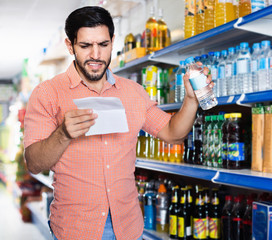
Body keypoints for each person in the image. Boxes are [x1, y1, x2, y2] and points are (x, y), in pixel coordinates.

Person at [23, 6, 212, 240]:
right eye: (85, 46)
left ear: (113, 41)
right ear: (70, 45)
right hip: (76, 229)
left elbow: (173, 134)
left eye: (103, 45)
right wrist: (62, 134)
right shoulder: (48, 93)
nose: (95, 55)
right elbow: (33, 162)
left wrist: (191, 101)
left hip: (128, 226)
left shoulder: (133, 92)